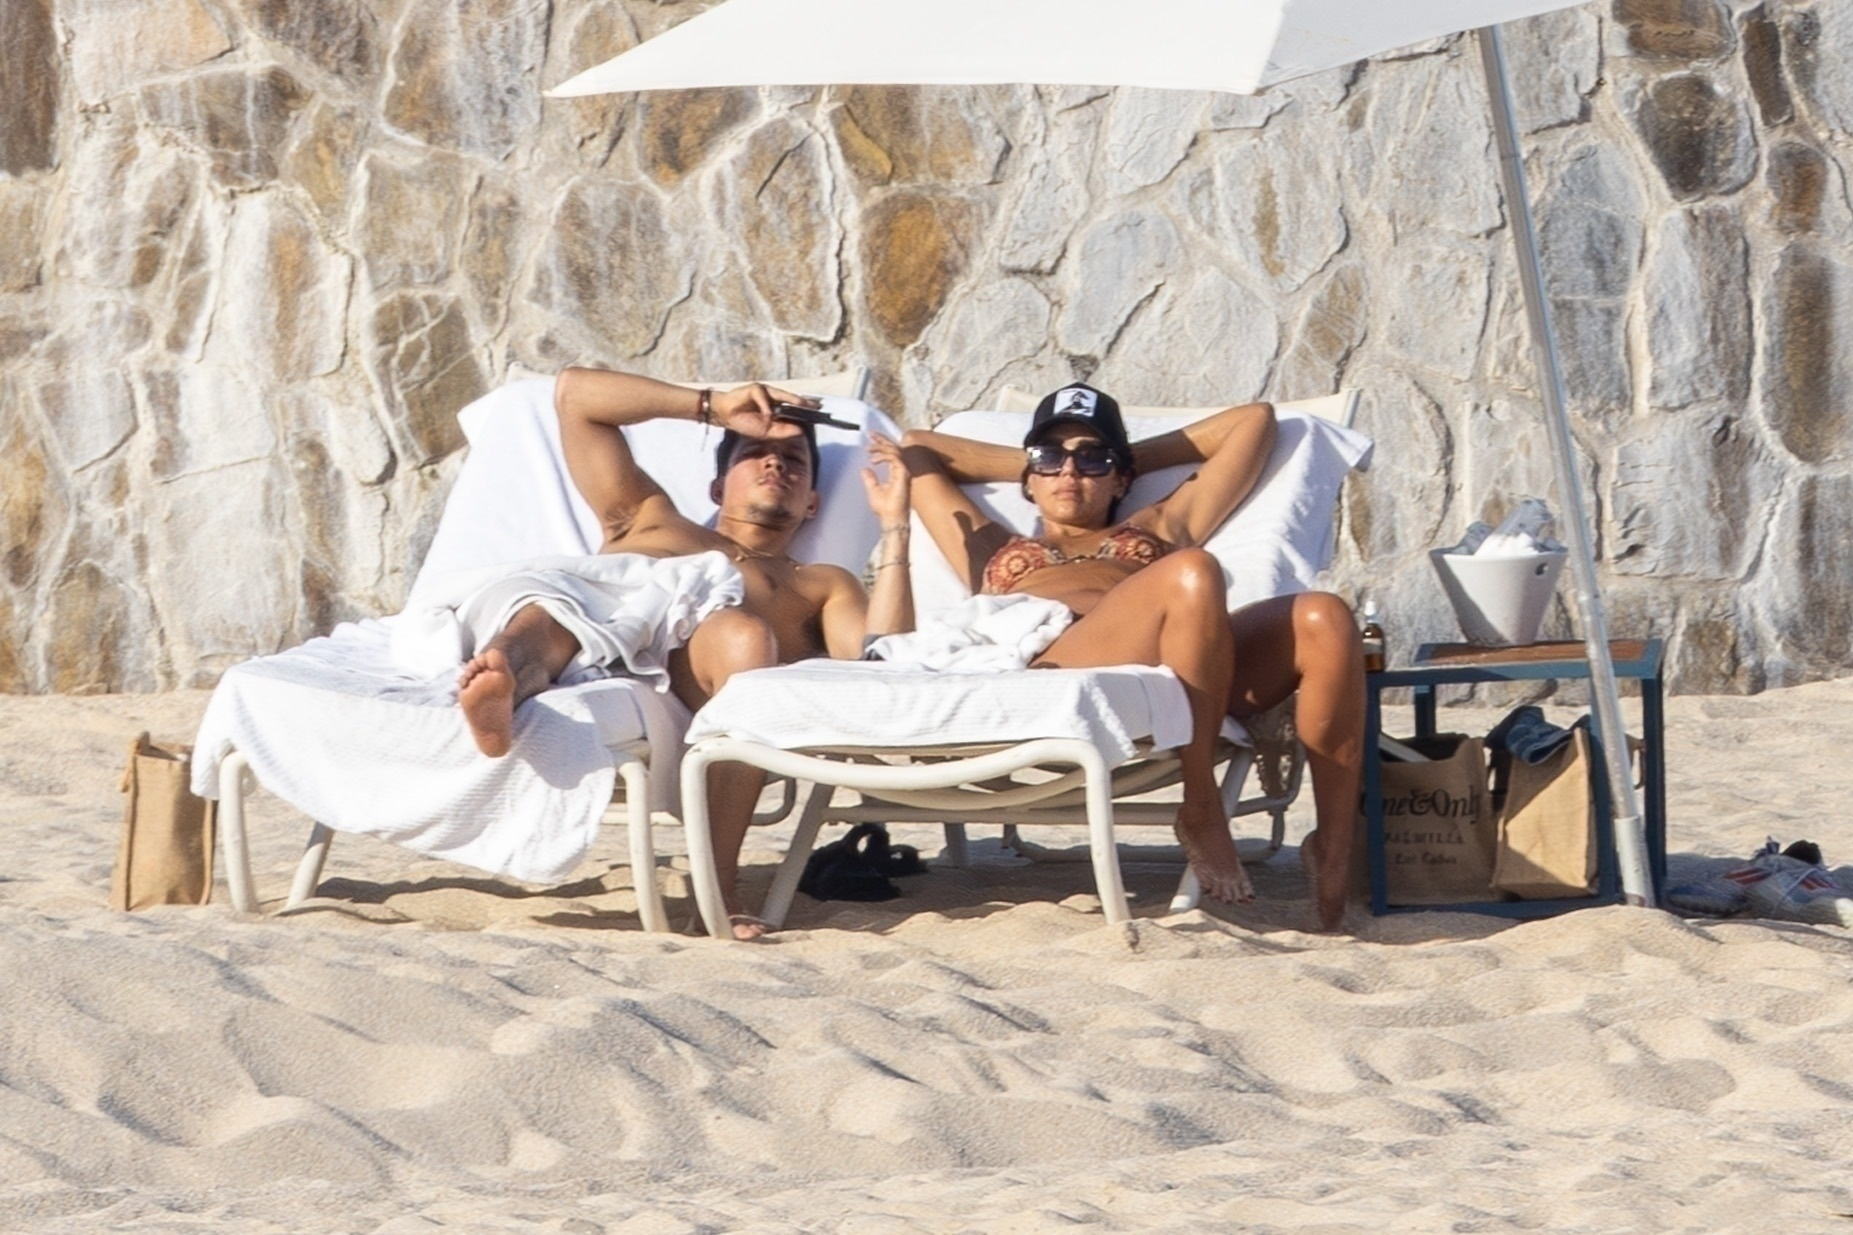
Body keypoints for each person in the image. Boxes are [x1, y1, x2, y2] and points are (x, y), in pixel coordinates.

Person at [456, 366, 913, 939]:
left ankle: (714, 894)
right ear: (718, 489)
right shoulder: (649, 515)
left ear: (814, 503)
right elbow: (574, 396)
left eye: (795, 460)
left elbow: (888, 661)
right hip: (587, 639)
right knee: (559, 599)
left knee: (745, 637)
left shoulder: (819, 583)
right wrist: (712, 407)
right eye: (756, 452)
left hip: (695, 684)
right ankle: (502, 681)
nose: (777, 464)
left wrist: (895, 527)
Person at [899, 383, 1364, 930]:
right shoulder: (988, 546)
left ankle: (1333, 850)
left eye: (1093, 459)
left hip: (1187, 670)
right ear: (1028, 480)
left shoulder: (1161, 526)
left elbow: (1255, 421)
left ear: (1123, 477)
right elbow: (916, 450)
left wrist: (1126, 457)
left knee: (1324, 617)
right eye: (1051, 458)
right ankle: (1200, 802)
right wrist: (1042, 460)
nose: (1070, 471)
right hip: (1068, 665)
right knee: (1193, 570)